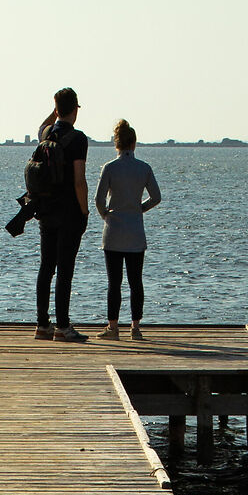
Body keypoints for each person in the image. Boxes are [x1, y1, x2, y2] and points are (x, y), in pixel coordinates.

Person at [94, 121, 161, 341]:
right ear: (134, 143)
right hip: (135, 230)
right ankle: (135, 328)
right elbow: (156, 197)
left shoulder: (110, 168)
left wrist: (106, 215)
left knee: (114, 283)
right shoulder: (144, 168)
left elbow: (98, 199)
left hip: (113, 230)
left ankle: (113, 327)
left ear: (117, 143)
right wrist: (140, 208)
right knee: (136, 282)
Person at [32, 87, 90, 342]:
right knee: (65, 269)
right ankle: (63, 327)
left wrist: (54, 112)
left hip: (46, 211)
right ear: (76, 109)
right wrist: (85, 209)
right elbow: (79, 180)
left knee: (46, 267)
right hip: (69, 212)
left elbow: (42, 125)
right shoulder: (78, 139)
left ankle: (42, 324)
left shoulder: (47, 134)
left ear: (56, 109)